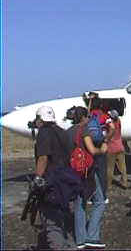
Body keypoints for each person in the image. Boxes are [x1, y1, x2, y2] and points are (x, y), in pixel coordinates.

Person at [33, 106, 81, 250]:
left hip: (52, 181)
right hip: (66, 179)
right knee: (64, 221)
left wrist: (37, 178)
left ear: (40, 119)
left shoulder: (44, 133)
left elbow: (43, 158)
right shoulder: (62, 132)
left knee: (52, 223)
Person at [68, 106, 108, 249]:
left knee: (80, 205)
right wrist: (102, 149)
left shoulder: (68, 132)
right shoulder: (84, 130)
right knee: (100, 201)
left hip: (73, 172)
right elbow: (91, 149)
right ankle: (92, 236)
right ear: (85, 117)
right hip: (87, 171)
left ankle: (80, 240)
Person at [89, 96, 115, 202]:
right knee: (102, 170)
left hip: (90, 143)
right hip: (101, 143)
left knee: (90, 170)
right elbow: (112, 128)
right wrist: (106, 140)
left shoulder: (89, 115)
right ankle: (103, 196)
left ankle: (91, 195)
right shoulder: (104, 116)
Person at [106, 109, 128, 189]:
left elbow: (110, 130)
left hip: (111, 147)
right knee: (123, 167)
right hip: (120, 146)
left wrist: (106, 139)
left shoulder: (110, 123)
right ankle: (125, 182)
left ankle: (108, 184)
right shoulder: (119, 121)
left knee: (110, 168)